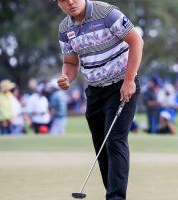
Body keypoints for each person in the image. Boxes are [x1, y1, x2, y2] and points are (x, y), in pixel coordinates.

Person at [56, 0, 144, 199]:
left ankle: (115, 197)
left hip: (122, 86)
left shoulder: (107, 13)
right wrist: (66, 77)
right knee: (101, 146)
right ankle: (111, 193)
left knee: (114, 140)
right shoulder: (64, 28)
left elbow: (136, 41)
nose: (69, 2)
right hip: (95, 92)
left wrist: (129, 80)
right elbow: (70, 62)